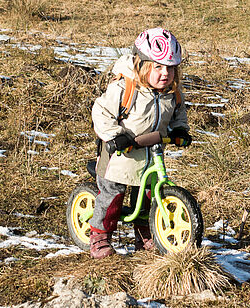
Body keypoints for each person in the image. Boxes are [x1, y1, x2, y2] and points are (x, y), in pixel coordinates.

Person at [89, 28, 192, 259]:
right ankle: (99, 234)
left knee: (150, 195)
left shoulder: (172, 93)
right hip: (120, 155)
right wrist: (115, 136)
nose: (165, 73)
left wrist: (180, 130)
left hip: (152, 155)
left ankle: (145, 233)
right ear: (141, 65)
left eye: (171, 68)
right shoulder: (125, 88)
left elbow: (178, 113)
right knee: (112, 196)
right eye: (158, 67)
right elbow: (101, 111)